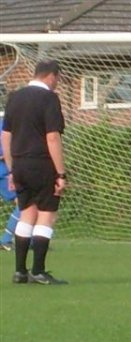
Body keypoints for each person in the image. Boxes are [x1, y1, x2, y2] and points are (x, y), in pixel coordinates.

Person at [1, 59, 68, 284]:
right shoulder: (49, 98)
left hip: (19, 165)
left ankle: (20, 272)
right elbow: (52, 137)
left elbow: (6, 136)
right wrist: (60, 173)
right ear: (52, 76)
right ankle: (38, 271)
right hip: (41, 164)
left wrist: (11, 170)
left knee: (27, 213)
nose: (57, 83)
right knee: (46, 215)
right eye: (57, 79)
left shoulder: (15, 97)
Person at [0, 117, 21, 251]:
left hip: (6, 171)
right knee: (24, 203)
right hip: (4, 172)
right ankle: (6, 240)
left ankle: (29, 240)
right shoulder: (5, 124)